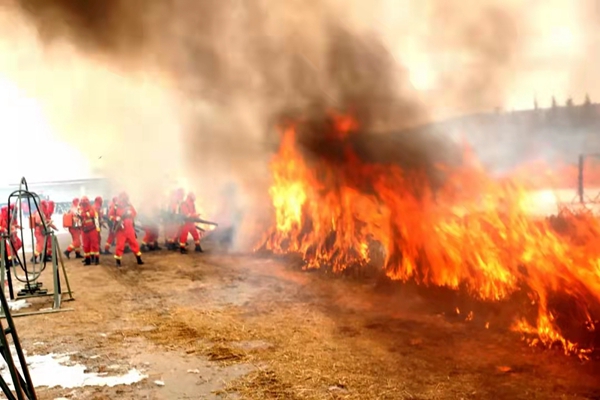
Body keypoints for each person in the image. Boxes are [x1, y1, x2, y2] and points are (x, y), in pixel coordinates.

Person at [108, 192, 143, 267]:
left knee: (134, 243)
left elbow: (135, 214)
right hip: (121, 229)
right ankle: (118, 262)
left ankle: (139, 259)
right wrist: (116, 218)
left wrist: (131, 214)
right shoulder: (115, 206)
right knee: (120, 245)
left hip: (130, 228)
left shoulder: (129, 206)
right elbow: (110, 215)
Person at [78, 196, 101, 266]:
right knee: (85, 245)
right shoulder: (80, 209)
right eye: (82, 203)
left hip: (92, 229)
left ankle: (96, 259)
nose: (83, 205)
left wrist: (83, 214)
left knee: (95, 244)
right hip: (84, 230)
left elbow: (92, 214)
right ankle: (87, 260)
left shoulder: (92, 208)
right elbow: (79, 217)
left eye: (84, 203)